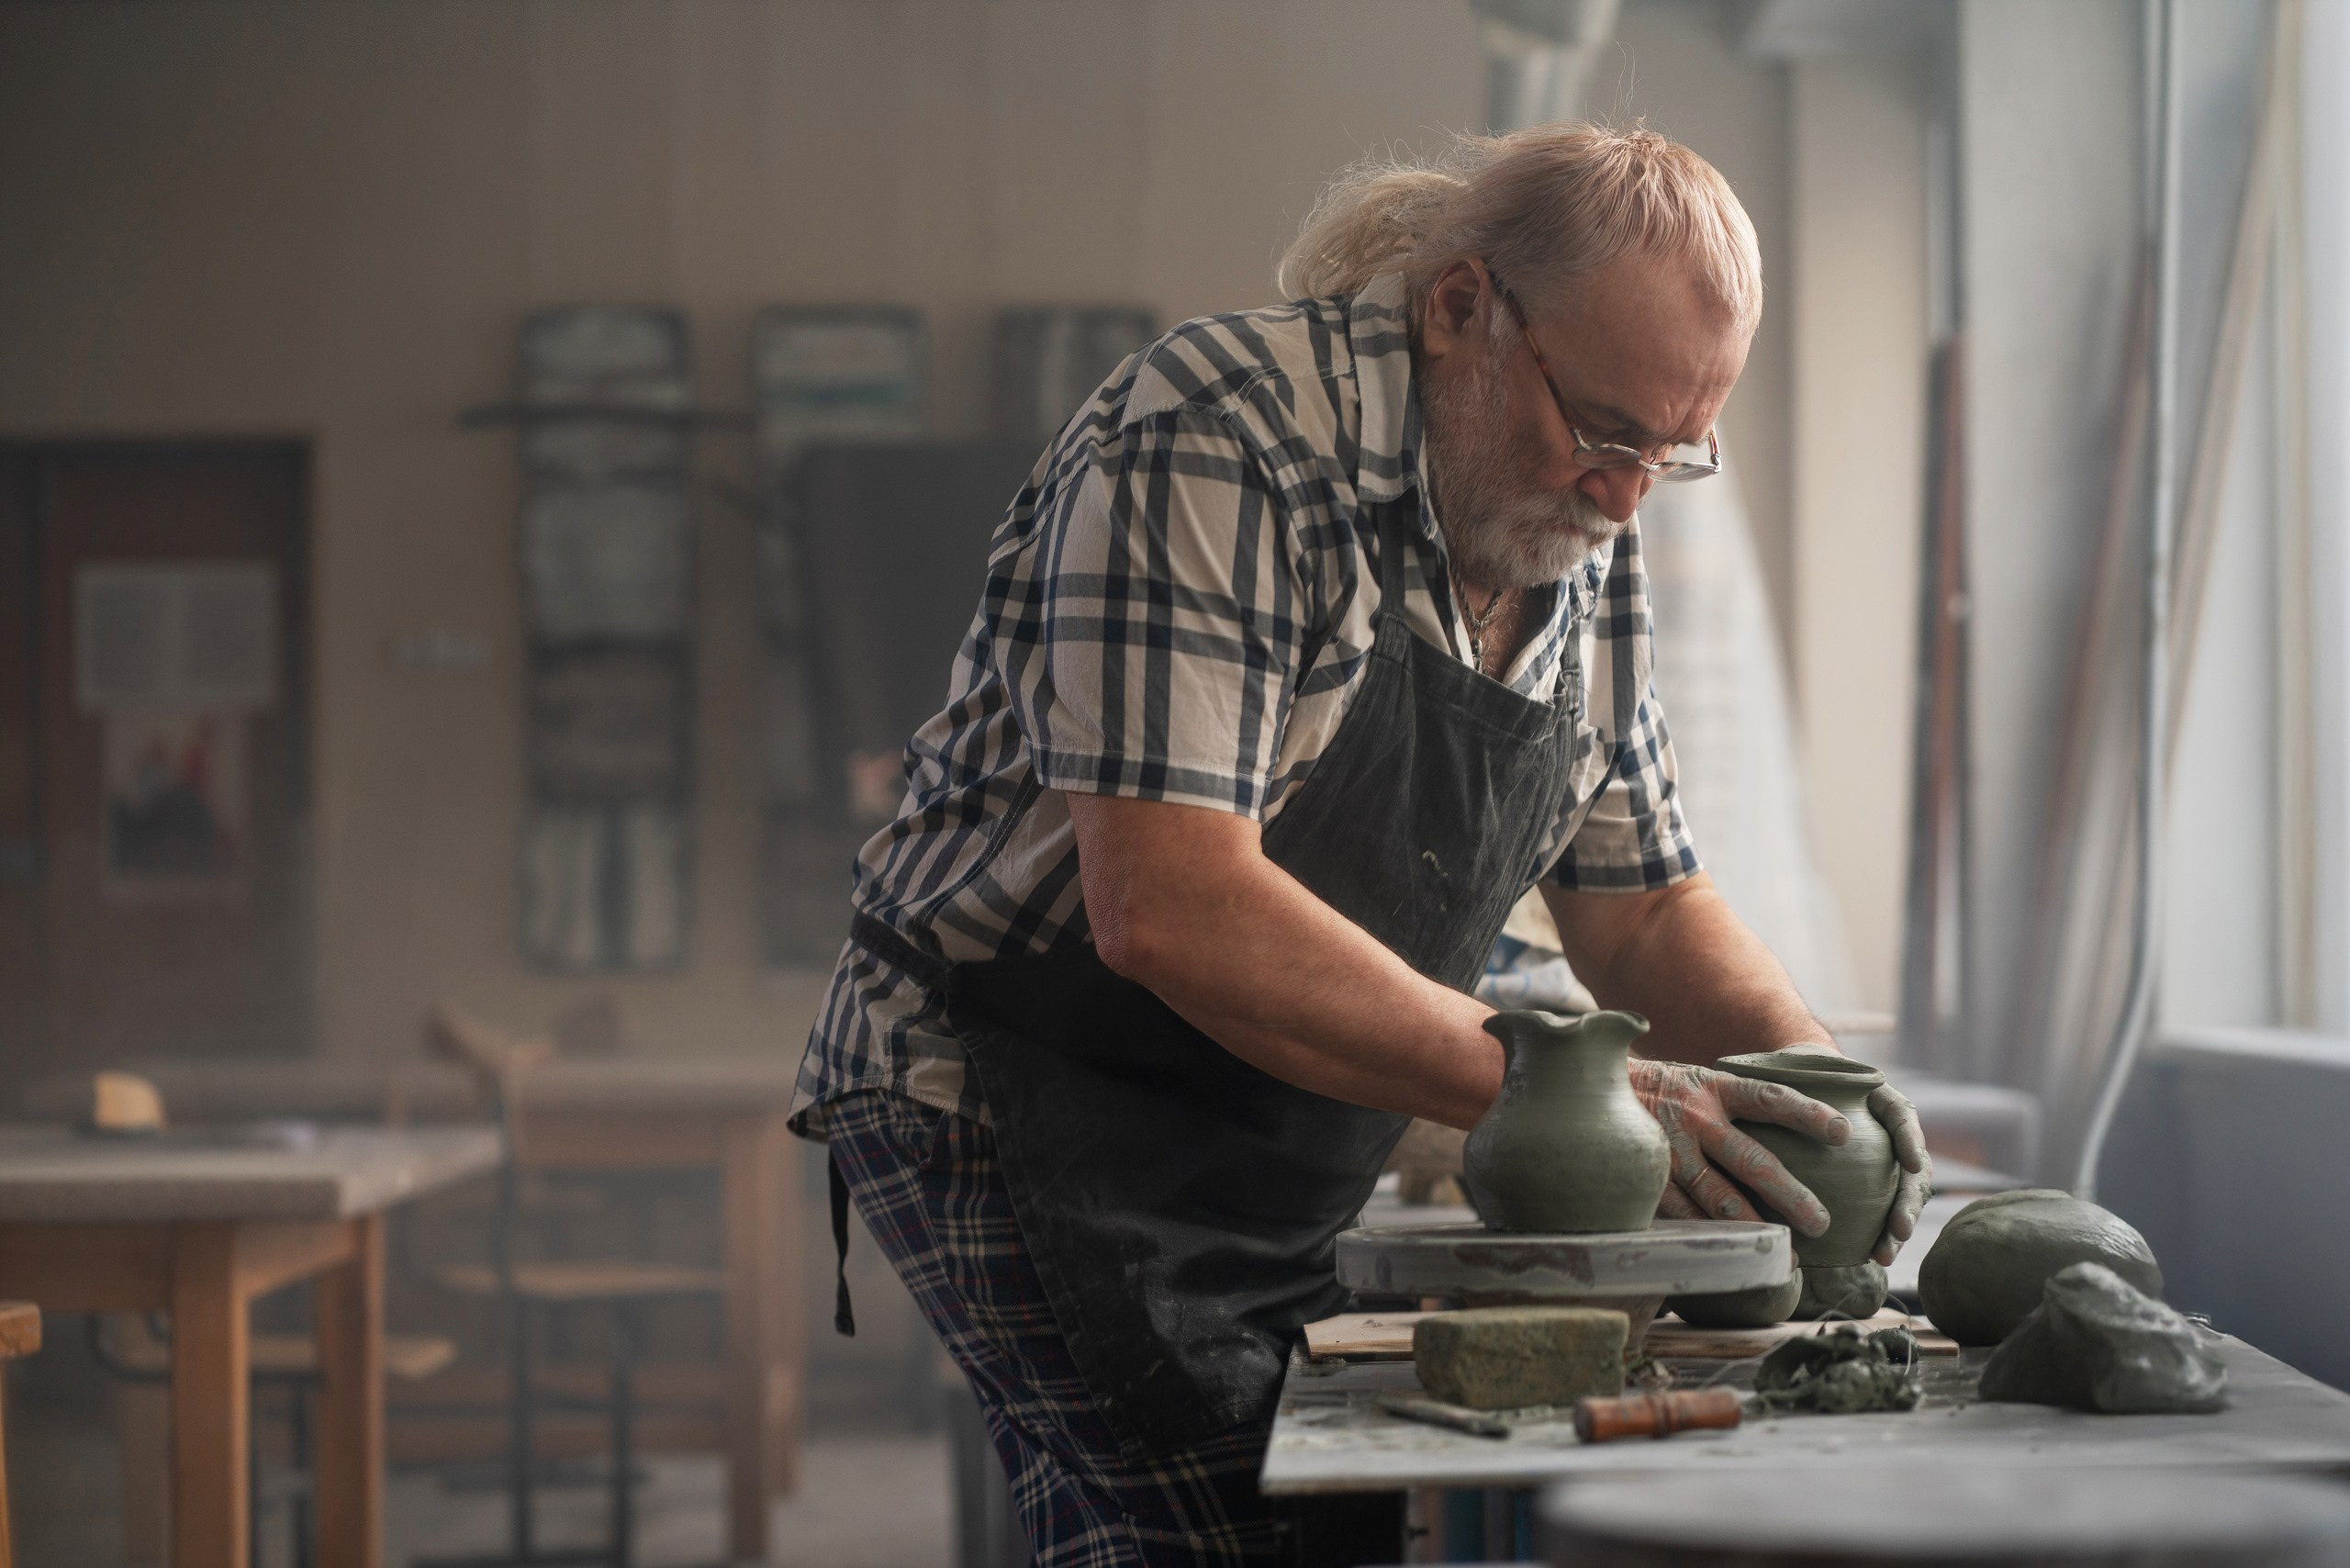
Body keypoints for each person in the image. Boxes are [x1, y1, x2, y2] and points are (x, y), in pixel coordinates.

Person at [790, 122, 1930, 1567]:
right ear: (1461, 309)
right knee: (1212, 1528)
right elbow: (1170, 904)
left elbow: (1644, 909)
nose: (1627, 496)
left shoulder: (1582, 525)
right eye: (1603, 433)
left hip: (1265, 1115)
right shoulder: (1216, 440)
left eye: (1671, 452)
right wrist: (1614, 1094)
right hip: (1009, 1085)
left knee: (1337, 1524)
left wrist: (1822, 1091)